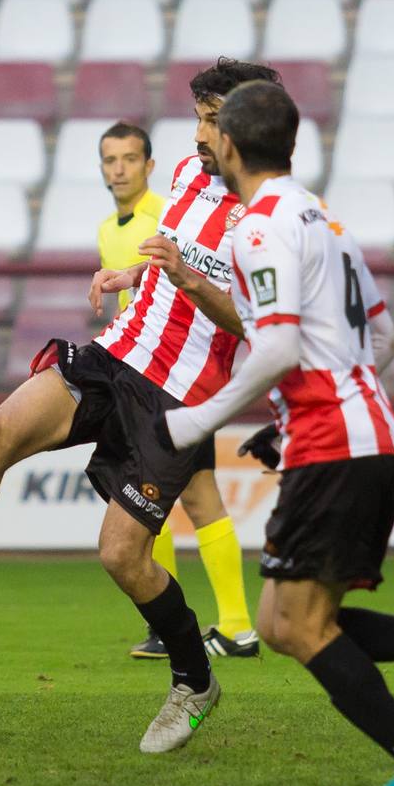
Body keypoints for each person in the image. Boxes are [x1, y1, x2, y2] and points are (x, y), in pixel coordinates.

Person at [0, 58, 290, 754]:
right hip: (117, 355)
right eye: (201, 116)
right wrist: (136, 272)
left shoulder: (272, 216)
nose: (202, 131)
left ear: (251, 123)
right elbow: (179, 256)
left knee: (122, 556)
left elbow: (260, 327)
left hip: (178, 399)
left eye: (215, 119)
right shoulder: (186, 174)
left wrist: (184, 278)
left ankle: (196, 678)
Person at [160, 81, 394, 786]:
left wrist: (201, 421)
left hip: (335, 443)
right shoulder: (325, 219)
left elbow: (278, 345)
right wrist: (295, 415)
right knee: (282, 622)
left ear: (228, 145)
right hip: (361, 430)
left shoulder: (259, 226)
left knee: (295, 625)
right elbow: (382, 340)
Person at [96, 120, 257, 660]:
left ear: (149, 166)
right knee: (167, 494)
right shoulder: (108, 227)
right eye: (109, 159)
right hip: (139, 369)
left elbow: (192, 269)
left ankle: (224, 624)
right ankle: (210, 625)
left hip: (180, 371)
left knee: (176, 495)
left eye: (128, 158)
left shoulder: (169, 208)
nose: (118, 169)